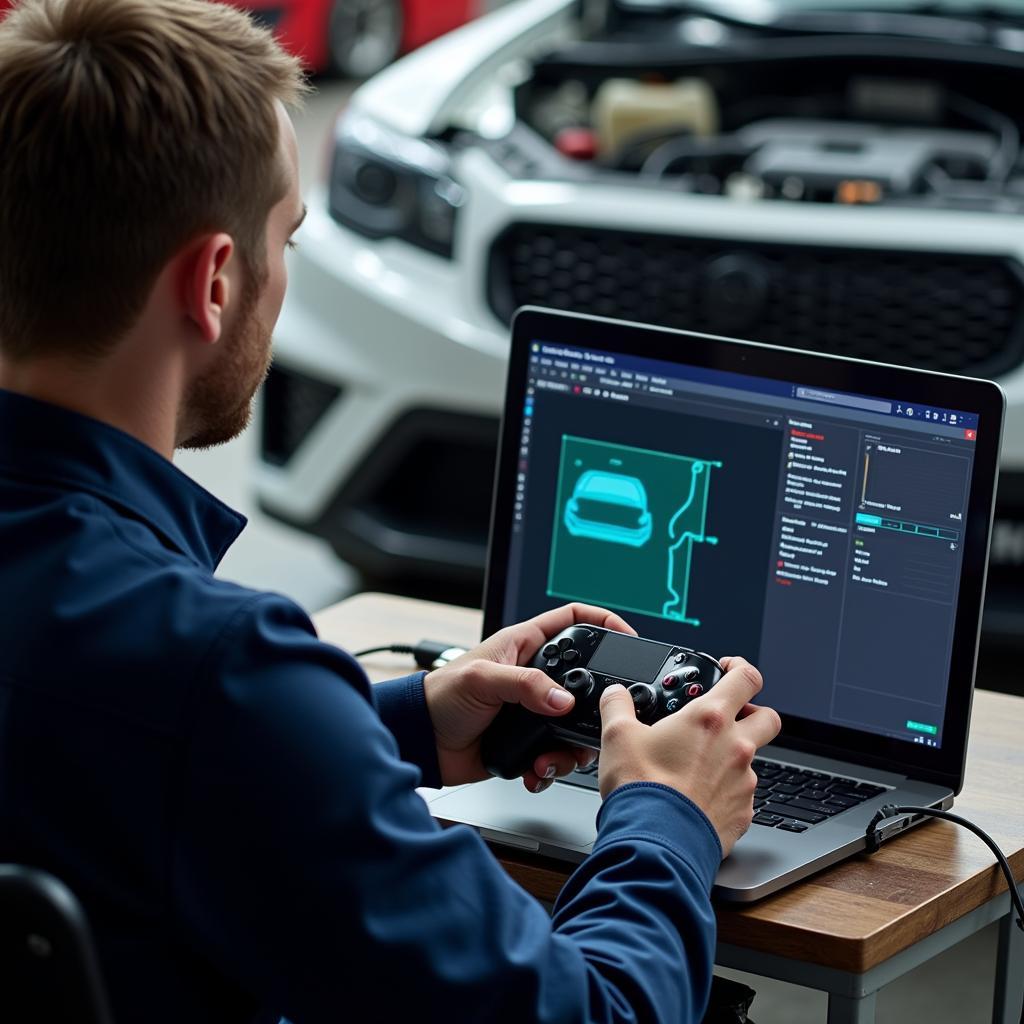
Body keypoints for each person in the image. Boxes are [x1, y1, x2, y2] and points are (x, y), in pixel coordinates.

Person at [0, 1, 782, 1022]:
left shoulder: (170, 669)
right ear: (216, 281)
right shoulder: (217, 670)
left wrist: (406, 721)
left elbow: (104, 743)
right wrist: (667, 816)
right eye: (286, 238)